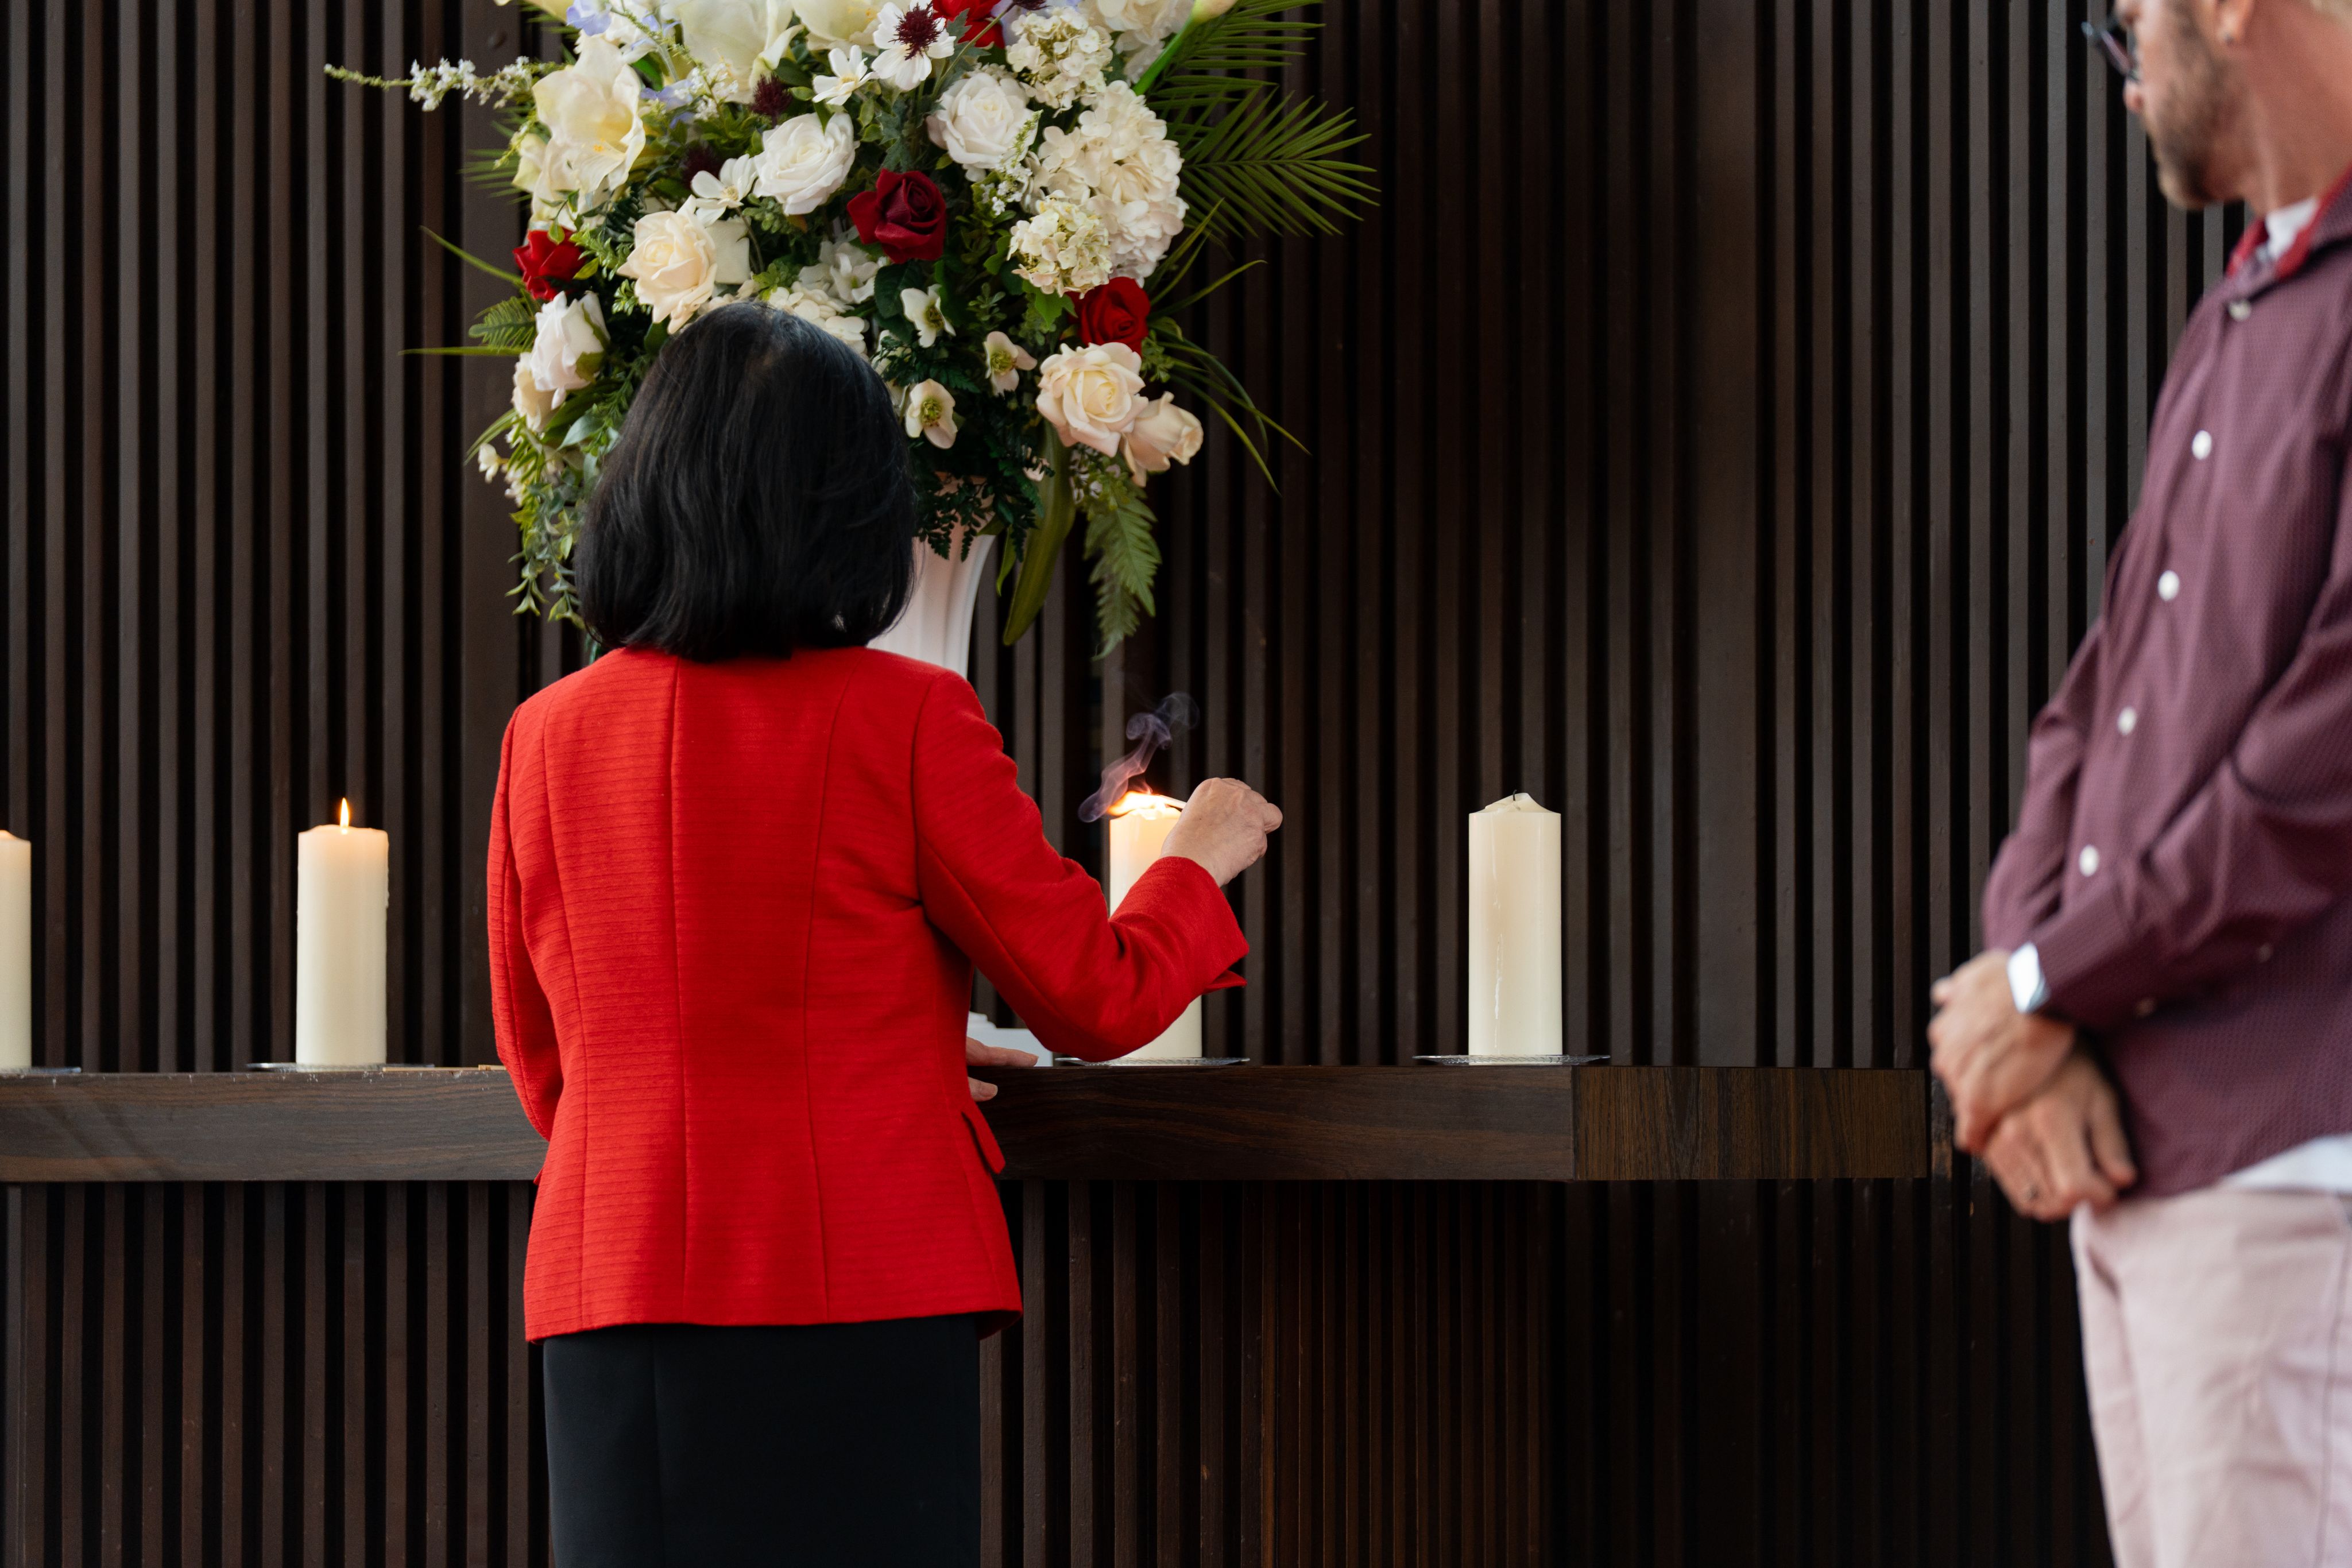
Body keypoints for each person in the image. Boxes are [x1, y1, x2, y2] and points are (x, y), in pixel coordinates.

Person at [485, 303, 1282, 1567]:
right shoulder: (906, 716)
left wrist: (883, 1046)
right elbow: (1090, 994)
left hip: (616, 1283)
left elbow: (550, 1068)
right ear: (850, 507)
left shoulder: (547, 736)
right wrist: (1191, 860)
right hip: (863, 1280)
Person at [1926, 1, 2352, 1562]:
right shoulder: (2244, 298)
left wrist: (2045, 979)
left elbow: (2324, 770)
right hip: (2141, 1157)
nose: (2125, 78)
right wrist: (2025, 1011)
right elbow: (2093, 708)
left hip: (2290, 1167)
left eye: (2126, 28)